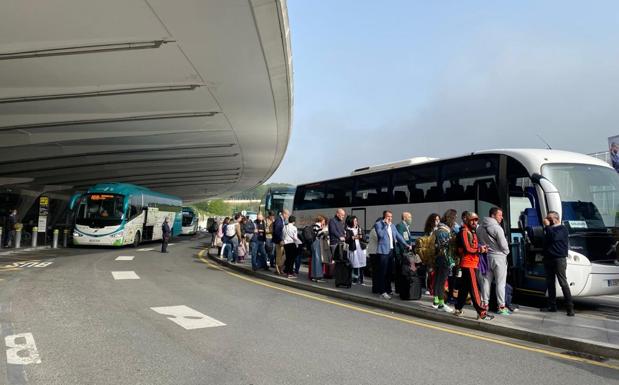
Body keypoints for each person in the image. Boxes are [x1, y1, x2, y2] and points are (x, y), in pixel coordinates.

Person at [453, 212, 494, 320]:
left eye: (476, 220)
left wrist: (481, 248)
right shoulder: (464, 231)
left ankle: (458, 308)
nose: (475, 222)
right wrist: (480, 249)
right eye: (472, 220)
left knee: (464, 289)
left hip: (471, 263)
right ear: (467, 220)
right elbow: (468, 248)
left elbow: (472, 247)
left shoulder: (472, 231)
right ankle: (482, 313)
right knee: (475, 289)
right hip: (468, 264)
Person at [477, 207, 511, 315]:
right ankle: (501, 307)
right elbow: (504, 245)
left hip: (486, 257)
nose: (501, 217)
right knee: (500, 284)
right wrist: (506, 252)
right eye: (499, 215)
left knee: (486, 282)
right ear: (493, 215)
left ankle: (484, 305)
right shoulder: (497, 228)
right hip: (499, 258)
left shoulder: (480, 228)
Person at [541, 211, 575, 316]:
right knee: (550, 283)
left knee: (562, 282)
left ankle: (570, 308)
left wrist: (547, 226)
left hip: (559, 259)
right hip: (548, 259)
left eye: (549, 218)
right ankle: (552, 306)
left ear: (556, 218)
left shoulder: (562, 229)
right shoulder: (549, 229)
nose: (547, 220)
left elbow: (553, 237)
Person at [374, 210, 411, 299]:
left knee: (389, 272)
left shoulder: (393, 226)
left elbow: (399, 236)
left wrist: (406, 245)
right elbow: (381, 235)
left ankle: (388, 290)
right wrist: (385, 225)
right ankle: (382, 291)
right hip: (383, 252)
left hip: (391, 251)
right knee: (383, 272)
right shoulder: (379, 224)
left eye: (391, 216)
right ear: (384, 217)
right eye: (388, 216)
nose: (390, 218)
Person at [432, 210, 458, 312]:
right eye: (454, 218)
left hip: (438, 257)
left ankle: (436, 301)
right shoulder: (444, 230)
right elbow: (446, 245)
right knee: (442, 281)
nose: (455, 220)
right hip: (444, 258)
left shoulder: (439, 228)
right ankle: (441, 304)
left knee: (438, 280)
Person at [422, 213, 441, 295]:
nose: (437, 221)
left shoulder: (440, 229)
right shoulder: (428, 231)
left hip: (438, 252)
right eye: (435, 220)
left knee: (436, 272)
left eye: (438, 220)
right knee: (429, 271)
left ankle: (434, 288)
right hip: (430, 253)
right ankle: (428, 287)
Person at [395, 212, 414, 294]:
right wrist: (404, 250)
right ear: (404, 218)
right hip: (401, 252)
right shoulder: (400, 226)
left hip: (406, 251)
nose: (411, 219)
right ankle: (398, 289)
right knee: (400, 271)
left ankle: (402, 288)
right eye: (409, 217)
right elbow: (400, 239)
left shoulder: (406, 227)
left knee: (403, 271)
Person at [346, 215, 367, 285]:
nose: (356, 222)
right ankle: (354, 279)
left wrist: (359, 237)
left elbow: (364, 238)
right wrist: (353, 237)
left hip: (361, 249)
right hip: (354, 249)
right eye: (354, 221)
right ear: (351, 221)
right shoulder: (348, 230)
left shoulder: (360, 229)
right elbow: (347, 240)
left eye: (356, 221)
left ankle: (361, 280)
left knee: (361, 264)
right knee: (355, 264)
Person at [310, 215, 328, 282]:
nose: (324, 222)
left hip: (314, 243)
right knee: (318, 260)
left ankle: (314, 276)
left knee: (314, 260)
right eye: (324, 220)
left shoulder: (314, 226)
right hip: (318, 243)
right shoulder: (318, 226)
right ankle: (318, 277)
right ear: (321, 220)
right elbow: (318, 234)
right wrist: (323, 230)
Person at [273, 209, 289, 275]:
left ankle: (279, 268)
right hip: (279, 241)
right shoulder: (279, 220)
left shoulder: (281, 220)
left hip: (281, 240)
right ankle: (278, 270)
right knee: (279, 256)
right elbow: (277, 231)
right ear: (284, 214)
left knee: (282, 255)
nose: (287, 217)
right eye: (287, 215)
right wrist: (280, 240)